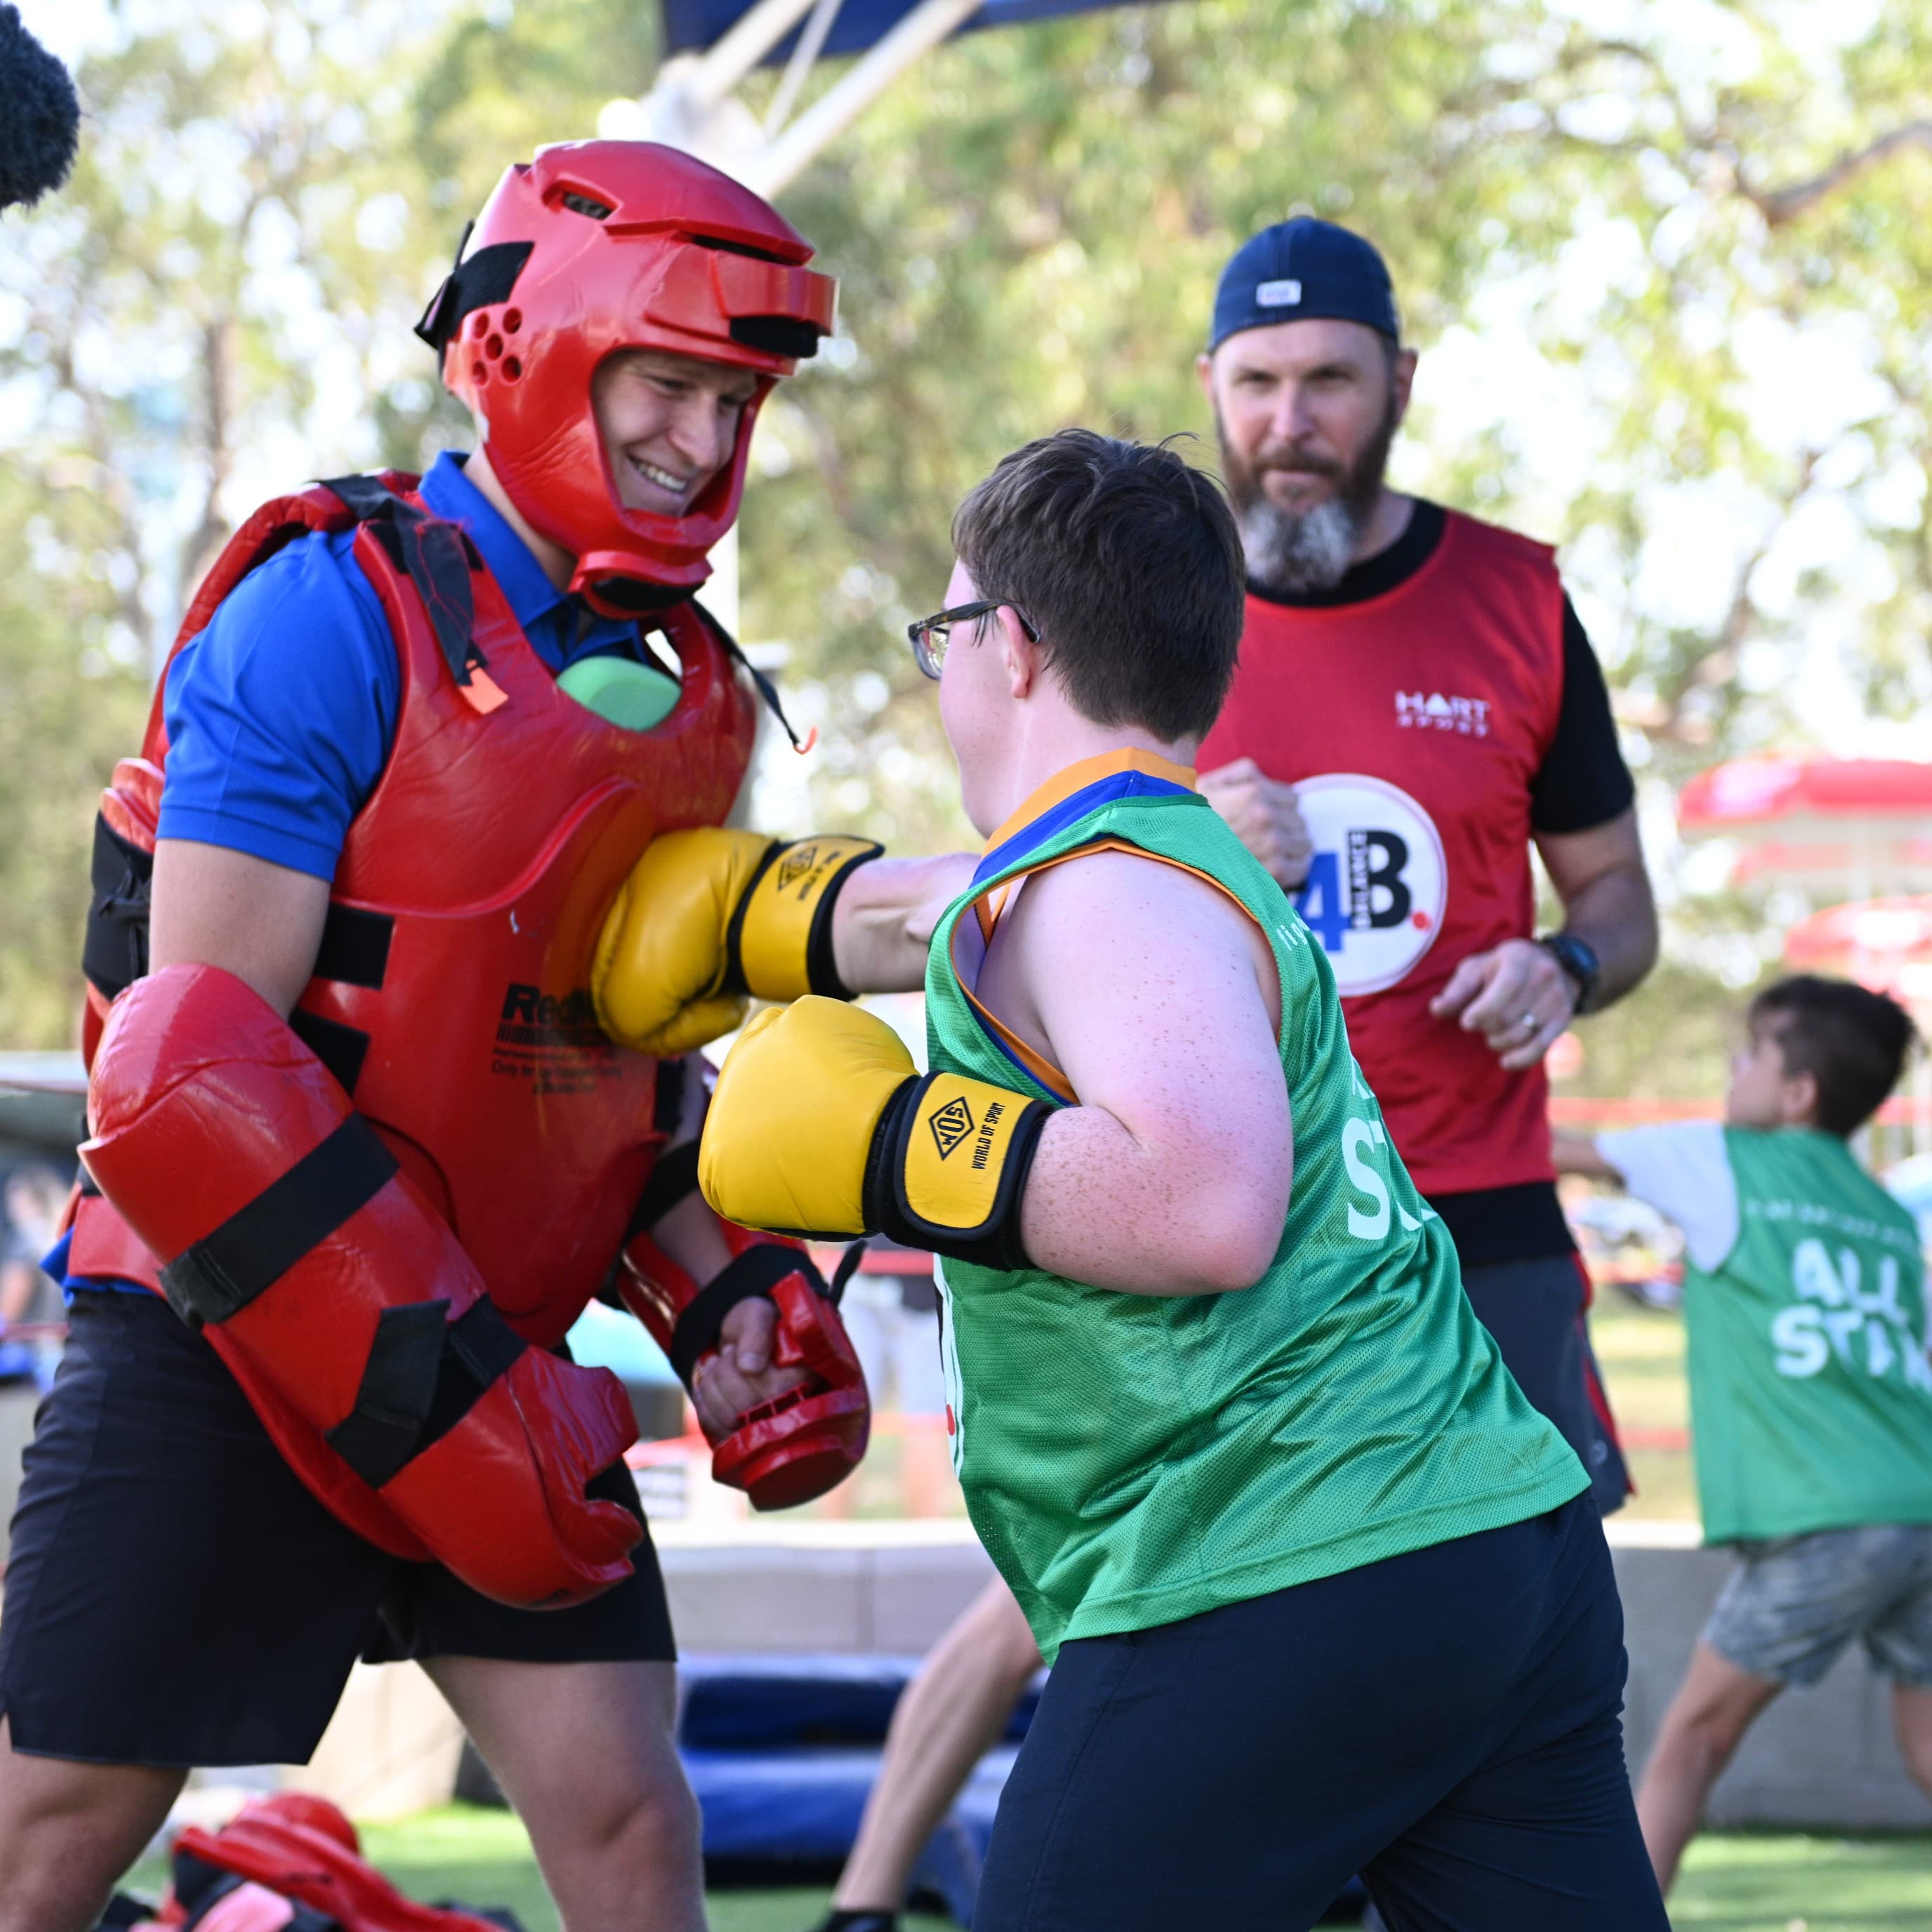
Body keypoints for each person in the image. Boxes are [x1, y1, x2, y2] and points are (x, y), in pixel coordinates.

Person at [0, 141, 968, 1932]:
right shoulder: (326, 610)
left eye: (734, 401)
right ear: (525, 352)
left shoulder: (687, 694)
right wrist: (447, 1394)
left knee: (630, 1824)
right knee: (41, 1846)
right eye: (666, 382)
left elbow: (591, 1062)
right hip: (227, 1341)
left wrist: (726, 1287)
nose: (701, 439)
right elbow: (192, 1076)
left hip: (499, 1358)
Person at [805, 213, 1660, 1932]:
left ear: (1012, 645)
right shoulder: (1154, 857)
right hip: (1484, 1527)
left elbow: (1201, 1203)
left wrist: (889, 1142)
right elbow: (918, 903)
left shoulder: (1105, 877)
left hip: (1273, 1549)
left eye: (941, 632)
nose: (940, 665)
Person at [1554, 974, 1932, 1896]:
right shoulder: (1885, 1213)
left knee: (1694, 1735)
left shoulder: (1722, 1160)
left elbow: (1553, 1150)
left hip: (1829, 1524)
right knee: (1928, 1746)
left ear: (1797, 1092)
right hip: (1919, 1503)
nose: (1734, 1065)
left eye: (1753, 1051)